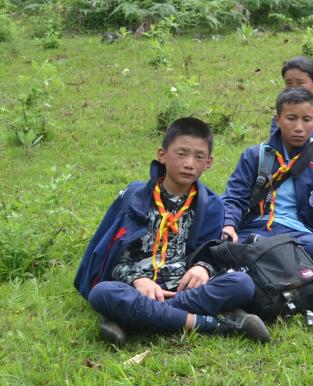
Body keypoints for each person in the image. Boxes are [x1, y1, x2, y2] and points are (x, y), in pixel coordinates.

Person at [75, 117, 270, 346]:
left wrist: (202, 267)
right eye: (181, 154)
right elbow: (114, 255)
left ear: (208, 162)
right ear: (162, 155)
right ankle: (211, 323)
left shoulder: (211, 205)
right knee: (103, 293)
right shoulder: (135, 196)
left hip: (184, 289)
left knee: (242, 284)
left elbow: (212, 252)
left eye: (199, 157)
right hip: (137, 288)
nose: (189, 163)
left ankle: (129, 318)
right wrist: (138, 280)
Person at [222, 87, 313, 287]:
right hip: (256, 228)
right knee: (227, 242)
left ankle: (252, 267)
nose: (299, 127)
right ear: (278, 120)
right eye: (291, 118)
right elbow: (234, 197)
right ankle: (304, 272)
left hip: (298, 236)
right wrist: (229, 225)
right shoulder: (256, 156)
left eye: (306, 120)